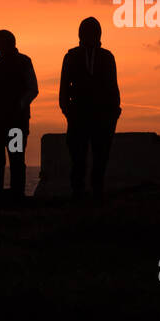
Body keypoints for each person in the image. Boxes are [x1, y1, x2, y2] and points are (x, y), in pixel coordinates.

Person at [59, 17, 120, 203]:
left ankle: (97, 193)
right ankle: (78, 193)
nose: (90, 36)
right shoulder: (71, 56)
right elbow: (63, 88)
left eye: (93, 32)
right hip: (78, 114)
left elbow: (113, 86)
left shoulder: (107, 57)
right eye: (86, 32)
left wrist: (114, 111)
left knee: (100, 157)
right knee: (78, 157)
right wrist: (68, 111)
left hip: (102, 116)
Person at [0, 29, 39, 199]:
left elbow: (33, 89)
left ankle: (16, 195)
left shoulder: (23, 62)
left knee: (15, 159)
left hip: (15, 122)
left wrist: (19, 105)